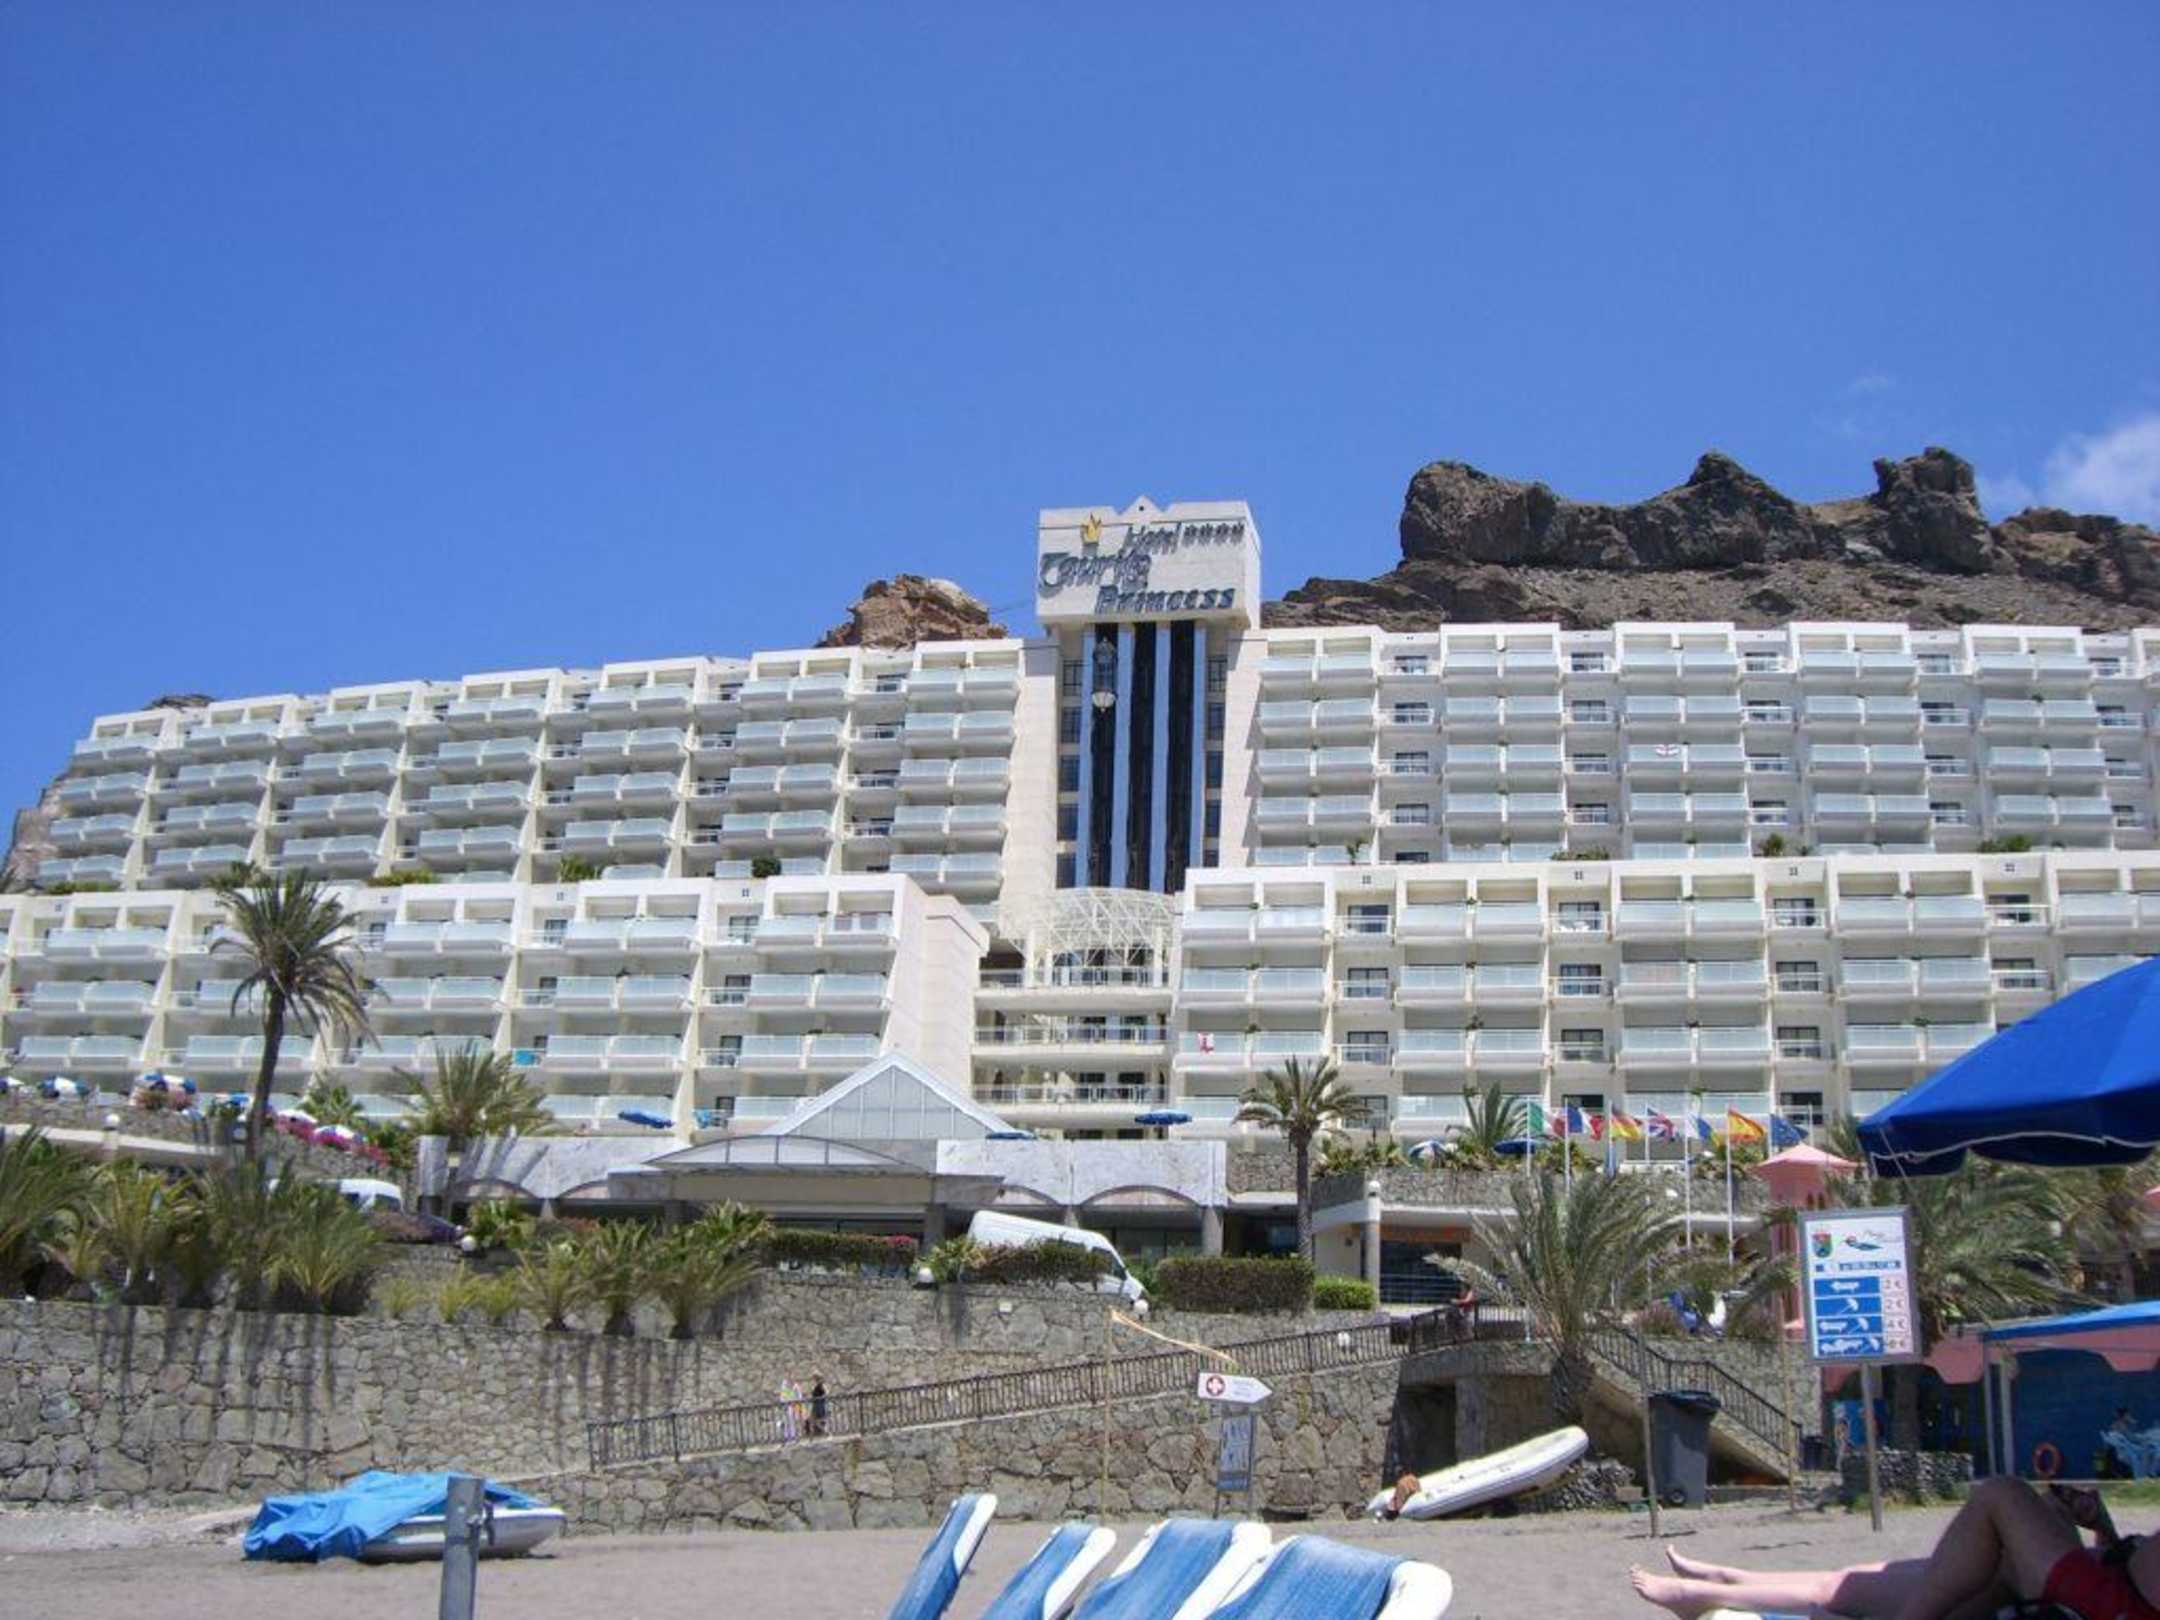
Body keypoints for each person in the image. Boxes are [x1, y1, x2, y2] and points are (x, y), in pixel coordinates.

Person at [1629, 1478, 2153, 1620]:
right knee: (1851, 1579)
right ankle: (1723, 1583)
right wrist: (2103, 1528)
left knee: (2002, 1495)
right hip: (2102, 1584)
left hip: (2104, 1599)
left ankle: (1708, 1591)